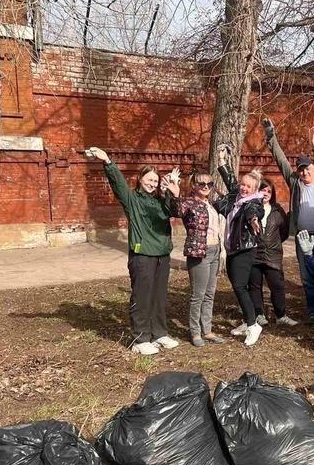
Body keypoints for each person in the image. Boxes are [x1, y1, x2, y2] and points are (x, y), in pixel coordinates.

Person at [88, 147, 179, 355]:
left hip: (162, 254)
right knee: (142, 297)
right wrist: (107, 161)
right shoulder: (132, 199)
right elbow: (118, 183)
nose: (152, 183)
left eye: (155, 180)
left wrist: (174, 192)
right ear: (140, 179)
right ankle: (141, 339)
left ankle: (159, 333)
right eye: (149, 179)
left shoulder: (161, 200)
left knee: (159, 296)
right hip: (142, 255)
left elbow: (176, 211)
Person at [265, 118, 314, 322]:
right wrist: (271, 136)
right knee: (306, 277)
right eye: (301, 169)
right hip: (302, 238)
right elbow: (281, 161)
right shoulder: (296, 184)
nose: (304, 172)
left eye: (308, 169)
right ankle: (313, 311)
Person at [167, 170, 227, 348]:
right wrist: (175, 194)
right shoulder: (189, 203)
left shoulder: (212, 204)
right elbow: (177, 211)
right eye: (201, 183)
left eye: (209, 184)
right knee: (198, 295)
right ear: (194, 185)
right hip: (199, 252)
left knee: (209, 294)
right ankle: (195, 332)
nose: (206, 187)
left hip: (215, 250)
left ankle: (207, 330)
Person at [212, 146, 265, 346]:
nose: (243, 188)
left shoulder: (253, 202)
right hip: (234, 248)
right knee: (240, 286)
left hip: (244, 249)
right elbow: (230, 180)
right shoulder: (238, 197)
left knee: (239, 286)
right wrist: (222, 161)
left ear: (255, 190)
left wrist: (253, 220)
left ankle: (253, 325)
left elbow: (254, 212)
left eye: (248, 187)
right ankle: (247, 319)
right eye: (243, 184)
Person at [249, 179, 298, 327]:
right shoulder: (250, 208)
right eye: (263, 190)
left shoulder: (277, 210)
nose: (266, 193)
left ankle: (281, 315)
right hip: (254, 253)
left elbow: (283, 232)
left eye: (269, 191)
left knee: (277, 285)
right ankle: (259, 314)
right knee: (254, 286)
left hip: (273, 255)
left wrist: (272, 243)